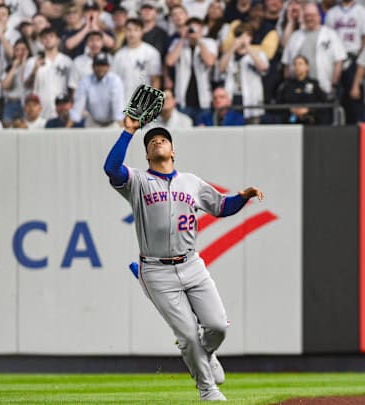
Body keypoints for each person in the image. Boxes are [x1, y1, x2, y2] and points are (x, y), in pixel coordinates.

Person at [103, 115, 264, 402]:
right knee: (188, 335)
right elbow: (111, 168)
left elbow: (222, 207)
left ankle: (206, 353)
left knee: (216, 326)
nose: (158, 141)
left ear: (173, 151)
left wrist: (243, 196)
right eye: (152, 141)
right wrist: (128, 131)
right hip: (156, 271)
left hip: (192, 264)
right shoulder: (138, 182)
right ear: (147, 154)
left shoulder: (191, 182)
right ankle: (207, 390)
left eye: (164, 139)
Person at [281, 3, 346, 97]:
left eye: (312, 15)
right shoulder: (295, 36)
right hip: (298, 89)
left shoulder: (330, 35)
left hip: (323, 87)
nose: (309, 18)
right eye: (306, 15)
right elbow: (287, 64)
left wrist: (334, 84)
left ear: (319, 16)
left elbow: (338, 62)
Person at [165, 16, 217, 124]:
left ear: (202, 30)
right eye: (190, 29)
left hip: (203, 100)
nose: (192, 32)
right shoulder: (177, 43)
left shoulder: (209, 43)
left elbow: (210, 62)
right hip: (183, 99)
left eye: (196, 29)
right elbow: (170, 61)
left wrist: (199, 40)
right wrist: (183, 39)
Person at [217, 22, 268, 124]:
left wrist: (248, 48)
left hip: (251, 100)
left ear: (251, 37)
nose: (242, 39)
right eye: (240, 36)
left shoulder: (258, 53)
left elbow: (263, 67)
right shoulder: (229, 56)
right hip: (233, 98)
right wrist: (232, 48)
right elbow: (221, 68)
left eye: (246, 36)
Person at [24, 26, 73, 120]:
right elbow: (27, 85)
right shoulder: (33, 61)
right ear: (41, 41)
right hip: (40, 110)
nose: (48, 40)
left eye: (51, 36)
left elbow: (72, 87)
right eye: (45, 37)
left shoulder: (67, 61)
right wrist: (34, 69)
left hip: (61, 109)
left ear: (57, 40)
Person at [113, 18, 162, 103]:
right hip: (122, 103)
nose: (132, 33)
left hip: (142, 105)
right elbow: (114, 82)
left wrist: (148, 106)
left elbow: (155, 81)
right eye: (129, 30)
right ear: (124, 31)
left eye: (136, 30)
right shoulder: (118, 55)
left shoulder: (151, 53)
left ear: (142, 32)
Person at [70, 51, 125, 128]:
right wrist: (67, 128)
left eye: (103, 65)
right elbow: (77, 108)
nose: (100, 68)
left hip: (112, 123)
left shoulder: (115, 81)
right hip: (93, 122)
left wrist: (123, 130)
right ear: (92, 67)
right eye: (97, 65)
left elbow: (118, 108)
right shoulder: (85, 81)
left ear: (108, 67)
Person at [275, 55, 328, 124]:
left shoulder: (314, 84)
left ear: (307, 67)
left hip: (310, 120)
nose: (297, 67)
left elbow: (324, 102)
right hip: (290, 119)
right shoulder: (287, 85)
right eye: (295, 64)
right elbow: (279, 103)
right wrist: (291, 109)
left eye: (300, 64)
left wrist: (308, 110)